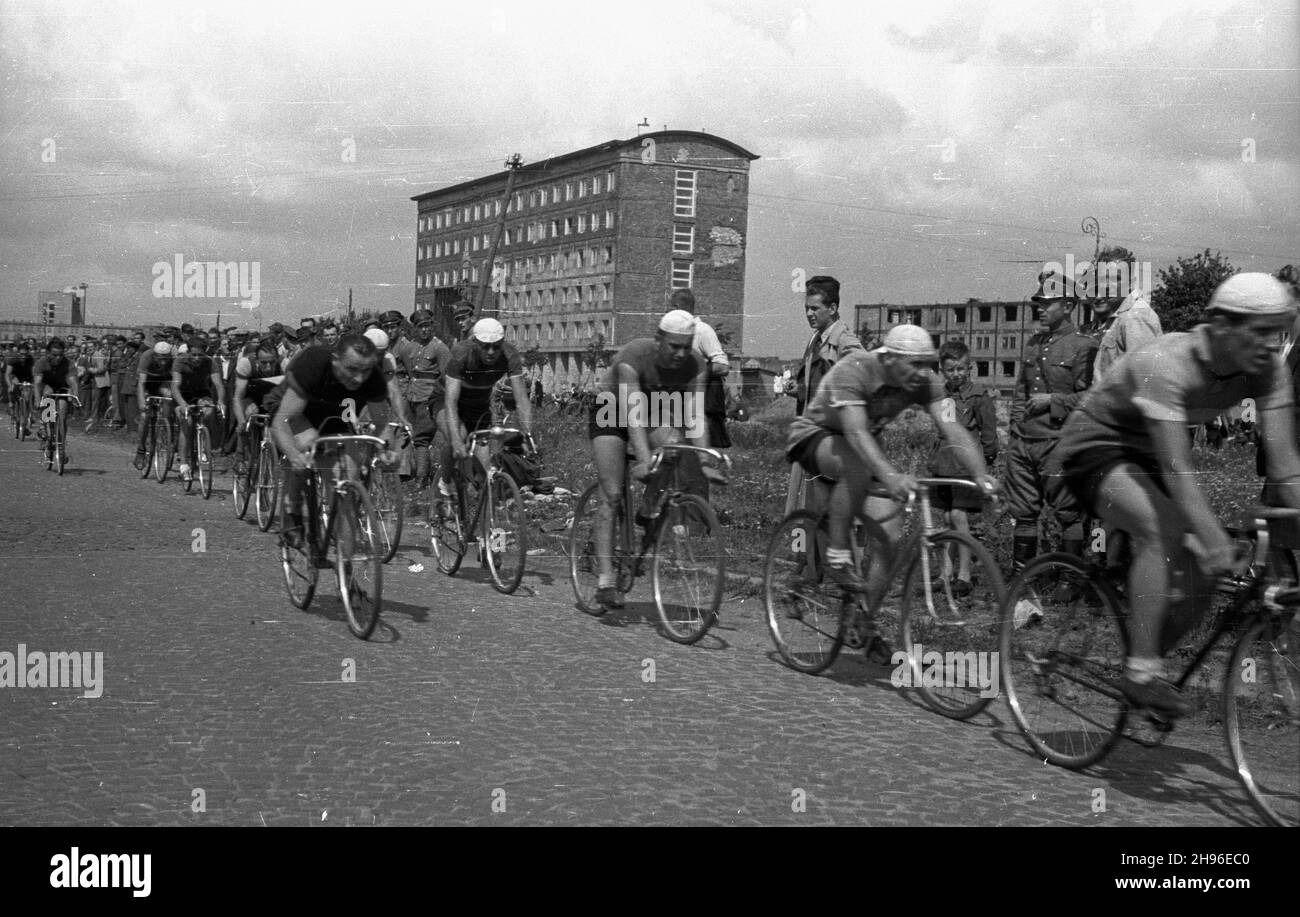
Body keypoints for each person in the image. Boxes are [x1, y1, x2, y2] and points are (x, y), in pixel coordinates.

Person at [1053, 272, 1300, 717]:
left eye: (1279, 332)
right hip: (1094, 447)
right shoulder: (1165, 362)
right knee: (1165, 532)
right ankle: (1141, 675)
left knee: (1204, 576)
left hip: (1147, 452)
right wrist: (1214, 540)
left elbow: (1284, 466)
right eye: (1259, 332)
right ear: (1221, 325)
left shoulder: (1269, 370)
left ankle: (1141, 662)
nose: (1270, 345)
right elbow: (1177, 468)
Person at [786, 324, 998, 595]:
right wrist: (891, 476)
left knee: (890, 533)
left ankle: (864, 622)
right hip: (815, 435)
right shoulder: (855, 369)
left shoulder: (925, 381)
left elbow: (952, 427)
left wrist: (980, 474)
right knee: (858, 466)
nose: (923, 372)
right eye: (914, 364)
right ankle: (836, 554)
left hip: (861, 447)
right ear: (889, 359)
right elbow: (857, 433)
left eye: (927, 364)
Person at [587, 310, 719, 609]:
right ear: (659, 339)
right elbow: (633, 417)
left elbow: (696, 415)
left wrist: (706, 462)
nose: (681, 353)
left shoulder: (696, 364)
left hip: (654, 409)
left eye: (687, 346)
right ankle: (606, 581)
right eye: (675, 346)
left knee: (674, 445)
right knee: (612, 493)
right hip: (611, 410)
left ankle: (647, 510)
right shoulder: (634, 354)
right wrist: (644, 461)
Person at [271, 333, 402, 551]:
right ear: (335, 360)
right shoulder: (313, 365)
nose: (359, 378)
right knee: (307, 443)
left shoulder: (373, 378)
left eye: (365, 371)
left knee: (347, 487)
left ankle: (346, 573)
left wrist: (387, 450)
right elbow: (281, 422)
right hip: (295, 412)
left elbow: (382, 425)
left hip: (335, 416)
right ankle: (291, 507)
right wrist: (294, 457)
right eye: (352, 370)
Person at [1004, 271, 1097, 571]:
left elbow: (1090, 398)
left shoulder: (1084, 346)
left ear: (1068, 306)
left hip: (1058, 441)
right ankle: (1023, 578)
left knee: (1068, 512)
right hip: (1025, 442)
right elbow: (1021, 390)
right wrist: (1016, 431)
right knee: (1023, 511)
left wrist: (1053, 401)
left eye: (1048, 304)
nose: (1041, 309)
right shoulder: (1033, 344)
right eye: (1039, 304)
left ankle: (1070, 578)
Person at [783, 276, 864, 515]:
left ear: (833, 308)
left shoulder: (844, 341)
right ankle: (810, 552)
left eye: (814, 308)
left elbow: (862, 375)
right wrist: (798, 390)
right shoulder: (815, 340)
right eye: (806, 308)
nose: (809, 313)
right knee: (813, 509)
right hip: (813, 437)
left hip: (834, 441)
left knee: (829, 512)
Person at [928, 339, 1000, 595]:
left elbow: (989, 434)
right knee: (945, 518)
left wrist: (986, 461)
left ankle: (965, 574)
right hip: (942, 463)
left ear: (969, 368)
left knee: (959, 516)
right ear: (942, 370)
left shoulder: (979, 396)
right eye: (950, 369)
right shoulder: (939, 394)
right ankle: (945, 571)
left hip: (965, 464)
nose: (956, 374)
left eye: (960, 368)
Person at [439, 318, 532, 498]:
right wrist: (457, 441)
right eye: (485, 347)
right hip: (446, 399)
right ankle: (445, 482)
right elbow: (450, 402)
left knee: (485, 465)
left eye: (496, 347)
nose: (491, 352)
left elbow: (521, 399)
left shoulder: (510, 355)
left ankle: (484, 512)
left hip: (478, 402)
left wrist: (528, 435)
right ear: (475, 343)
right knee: (458, 438)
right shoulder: (460, 353)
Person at [397, 309, 451, 493]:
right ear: (414, 329)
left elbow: (447, 376)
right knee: (412, 437)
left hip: (429, 399)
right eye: (421, 327)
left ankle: (422, 477)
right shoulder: (408, 348)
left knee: (422, 439)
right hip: (412, 397)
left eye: (428, 325)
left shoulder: (440, 348)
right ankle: (416, 475)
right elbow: (410, 371)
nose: (425, 330)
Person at [171, 336, 224, 483]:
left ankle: (202, 440)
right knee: (186, 422)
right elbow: (175, 386)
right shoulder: (179, 361)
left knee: (209, 411)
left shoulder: (210, 362)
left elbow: (218, 384)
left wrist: (220, 402)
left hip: (201, 393)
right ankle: (183, 464)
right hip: (183, 394)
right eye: (193, 354)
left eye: (200, 355)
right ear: (188, 352)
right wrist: (182, 404)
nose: (196, 358)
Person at [32, 338, 77, 460]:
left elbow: (73, 381)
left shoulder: (69, 363)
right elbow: (37, 383)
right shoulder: (41, 363)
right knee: (48, 399)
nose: (58, 358)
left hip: (62, 386)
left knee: (62, 413)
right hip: (46, 386)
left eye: (61, 355)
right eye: (54, 355)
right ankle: (45, 429)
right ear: (47, 353)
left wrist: (74, 396)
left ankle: (61, 447)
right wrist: (37, 400)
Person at [134, 339, 175, 471]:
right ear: (155, 355)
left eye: (166, 358)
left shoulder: (174, 358)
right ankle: (141, 450)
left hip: (164, 381)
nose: (163, 361)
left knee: (169, 398)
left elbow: (175, 380)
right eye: (160, 358)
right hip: (148, 383)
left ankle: (167, 433)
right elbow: (141, 383)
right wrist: (141, 402)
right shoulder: (147, 356)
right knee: (145, 416)